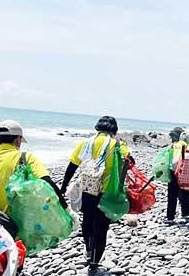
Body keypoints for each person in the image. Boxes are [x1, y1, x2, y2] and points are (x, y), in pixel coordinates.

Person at [60, 116, 130, 275]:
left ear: (97, 128)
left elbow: (72, 166)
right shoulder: (118, 144)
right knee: (101, 227)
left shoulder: (85, 143)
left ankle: (88, 249)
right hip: (107, 193)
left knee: (88, 222)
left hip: (87, 190)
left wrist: (63, 187)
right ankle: (94, 263)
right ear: (114, 130)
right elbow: (128, 162)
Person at [0, 120, 70, 214]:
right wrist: (67, 209)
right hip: (17, 226)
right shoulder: (27, 158)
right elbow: (48, 183)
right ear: (18, 139)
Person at [163, 127, 189, 225]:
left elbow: (167, 160)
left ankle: (170, 217)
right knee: (185, 193)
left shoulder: (172, 146)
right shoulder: (186, 145)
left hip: (172, 172)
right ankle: (185, 214)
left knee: (172, 195)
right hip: (184, 172)